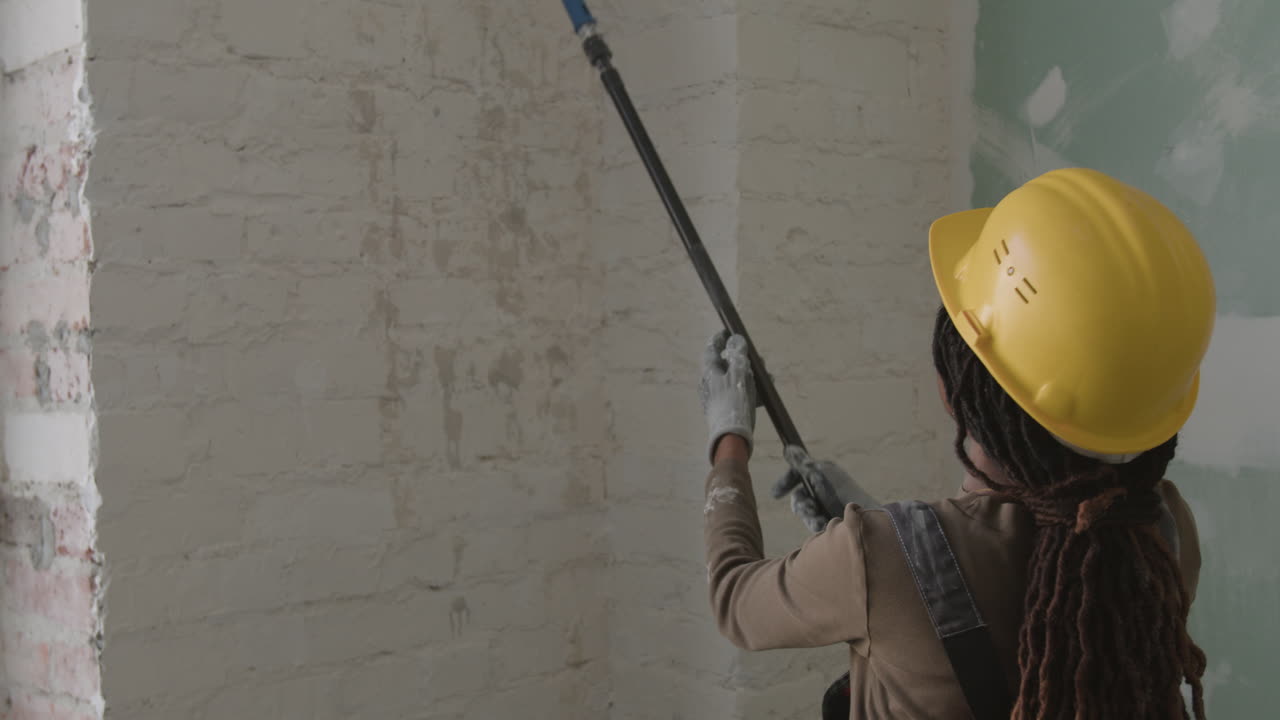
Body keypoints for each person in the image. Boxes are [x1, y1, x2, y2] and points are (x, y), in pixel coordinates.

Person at [697, 168, 1214, 720]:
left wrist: (729, 439)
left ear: (959, 387)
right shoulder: (1164, 532)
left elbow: (734, 599)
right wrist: (896, 540)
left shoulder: (876, 559)